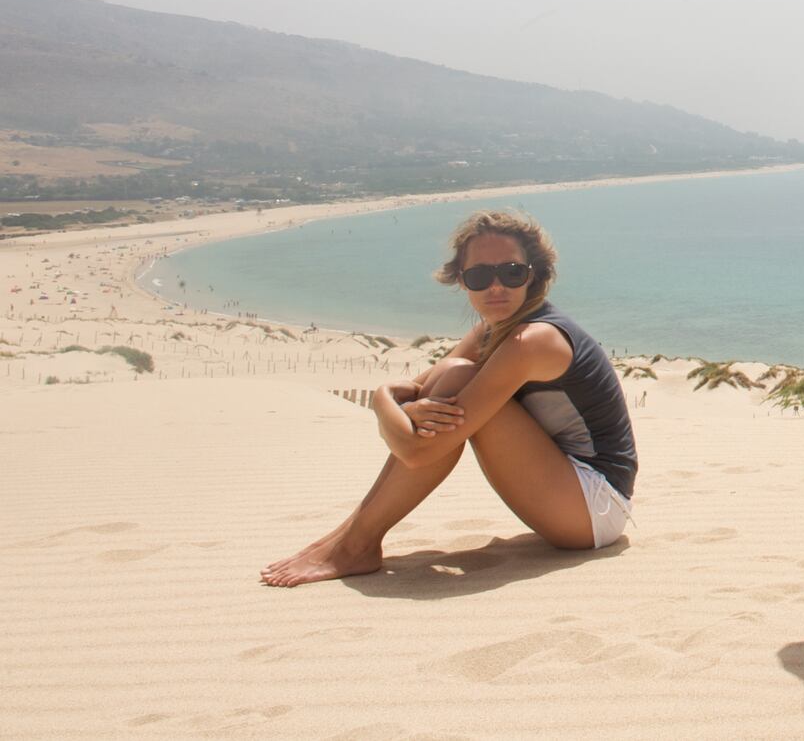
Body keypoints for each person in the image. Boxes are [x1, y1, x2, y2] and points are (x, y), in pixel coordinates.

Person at [260, 209, 637, 586]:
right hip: (563, 491)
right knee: (452, 372)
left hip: (595, 507)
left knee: (457, 376)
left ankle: (356, 543)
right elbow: (416, 390)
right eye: (479, 276)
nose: (496, 287)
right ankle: (350, 539)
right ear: (462, 280)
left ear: (533, 274)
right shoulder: (492, 332)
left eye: (511, 272)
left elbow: (418, 450)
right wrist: (383, 396)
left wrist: (387, 406)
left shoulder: (533, 341)